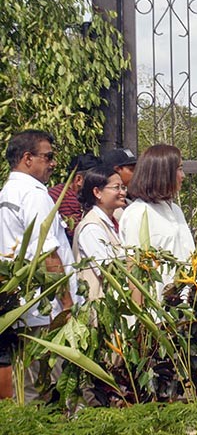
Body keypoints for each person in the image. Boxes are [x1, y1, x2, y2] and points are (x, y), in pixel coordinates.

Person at [0, 130, 80, 401]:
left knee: (28, 387)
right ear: (27, 158)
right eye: (48, 156)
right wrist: (67, 304)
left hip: (20, 306)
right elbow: (48, 255)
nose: (53, 163)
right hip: (43, 310)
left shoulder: (7, 192)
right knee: (50, 388)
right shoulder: (35, 195)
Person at [118, 144, 195, 304]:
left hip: (184, 308)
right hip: (158, 312)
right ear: (163, 173)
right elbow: (135, 270)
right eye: (179, 169)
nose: (183, 176)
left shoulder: (175, 210)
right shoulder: (138, 213)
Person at [74, 165, 127, 301]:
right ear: (97, 192)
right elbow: (107, 270)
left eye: (123, 187)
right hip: (101, 306)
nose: (122, 192)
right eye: (116, 188)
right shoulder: (91, 228)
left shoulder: (114, 220)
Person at [48, 153, 100, 243]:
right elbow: (79, 233)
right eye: (96, 180)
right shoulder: (65, 199)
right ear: (79, 179)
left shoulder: (60, 192)